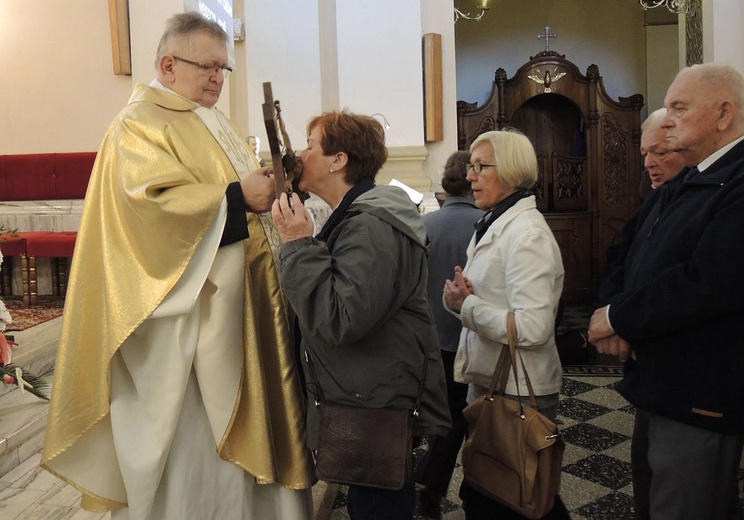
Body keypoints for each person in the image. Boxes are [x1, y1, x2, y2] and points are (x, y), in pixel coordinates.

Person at [40, 12, 314, 520]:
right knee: (198, 448)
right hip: (188, 327)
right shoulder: (137, 126)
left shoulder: (207, 117)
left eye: (223, 69)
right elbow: (148, 214)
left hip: (239, 308)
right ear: (168, 64)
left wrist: (261, 184)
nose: (218, 78)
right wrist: (235, 198)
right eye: (208, 67)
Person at [270, 110, 451, 520]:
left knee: (379, 508)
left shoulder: (372, 225)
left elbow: (340, 318)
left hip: (374, 404)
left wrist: (298, 243)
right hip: (365, 394)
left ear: (338, 160)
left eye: (311, 145)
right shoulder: (359, 217)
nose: (301, 154)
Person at [588, 63, 744, 520]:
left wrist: (619, 318)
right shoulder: (693, 179)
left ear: (723, 114)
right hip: (664, 380)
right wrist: (615, 309)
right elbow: (631, 255)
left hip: (701, 388)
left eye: (679, 107)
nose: (669, 117)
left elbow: (708, 281)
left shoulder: (734, 182)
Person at [442, 129, 569, 520]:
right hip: (495, 383)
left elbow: (532, 327)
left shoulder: (526, 234)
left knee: (519, 495)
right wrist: (459, 301)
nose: (471, 176)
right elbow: (490, 302)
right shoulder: (496, 222)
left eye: (481, 167)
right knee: (496, 489)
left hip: (519, 391)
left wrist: (469, 307)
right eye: (471, 167)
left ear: (511, 173)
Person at [599, 106, 688, 520]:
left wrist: (621, 319)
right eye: (645, 153)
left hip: (681, 374)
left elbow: (687, 285)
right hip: (647, 371)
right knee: (644, 471)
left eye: (661, 153)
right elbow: (620, 256)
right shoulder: (656, 199)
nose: (650, 163)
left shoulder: (704, 198)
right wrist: (611, 311)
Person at [415, 150, 484, 519]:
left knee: (431, 414)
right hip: (469, 337)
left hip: (429, 338)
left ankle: (418, 478)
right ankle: (435, 483)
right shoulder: (486, 224)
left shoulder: (426, 224)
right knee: (461, 417)